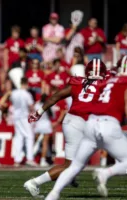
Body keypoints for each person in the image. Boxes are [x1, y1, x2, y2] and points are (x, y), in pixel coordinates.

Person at [44, 55, 127, 199]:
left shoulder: (108, 80)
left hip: (91, 122)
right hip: (109, 124)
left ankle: (53, 194)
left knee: (75, 165)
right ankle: (105, 173)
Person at [24, 58, 107, 197]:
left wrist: (38, 112)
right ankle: (34, 182)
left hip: (71, 121)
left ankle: (70, 177)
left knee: (76, 163)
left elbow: (56, 96)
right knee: (70, 166)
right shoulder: (104, 84)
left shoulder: (78, 83)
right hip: (81, 123)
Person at [0, 78, 37, 167]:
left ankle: (17, 159)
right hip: (24, 117)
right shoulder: (27, 94)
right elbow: (31, 107)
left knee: (19, 137)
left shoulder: (14, 93)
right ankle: (30, 158)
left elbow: (9, 100)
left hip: (16, 117)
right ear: (26, 84)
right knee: (29, 136)